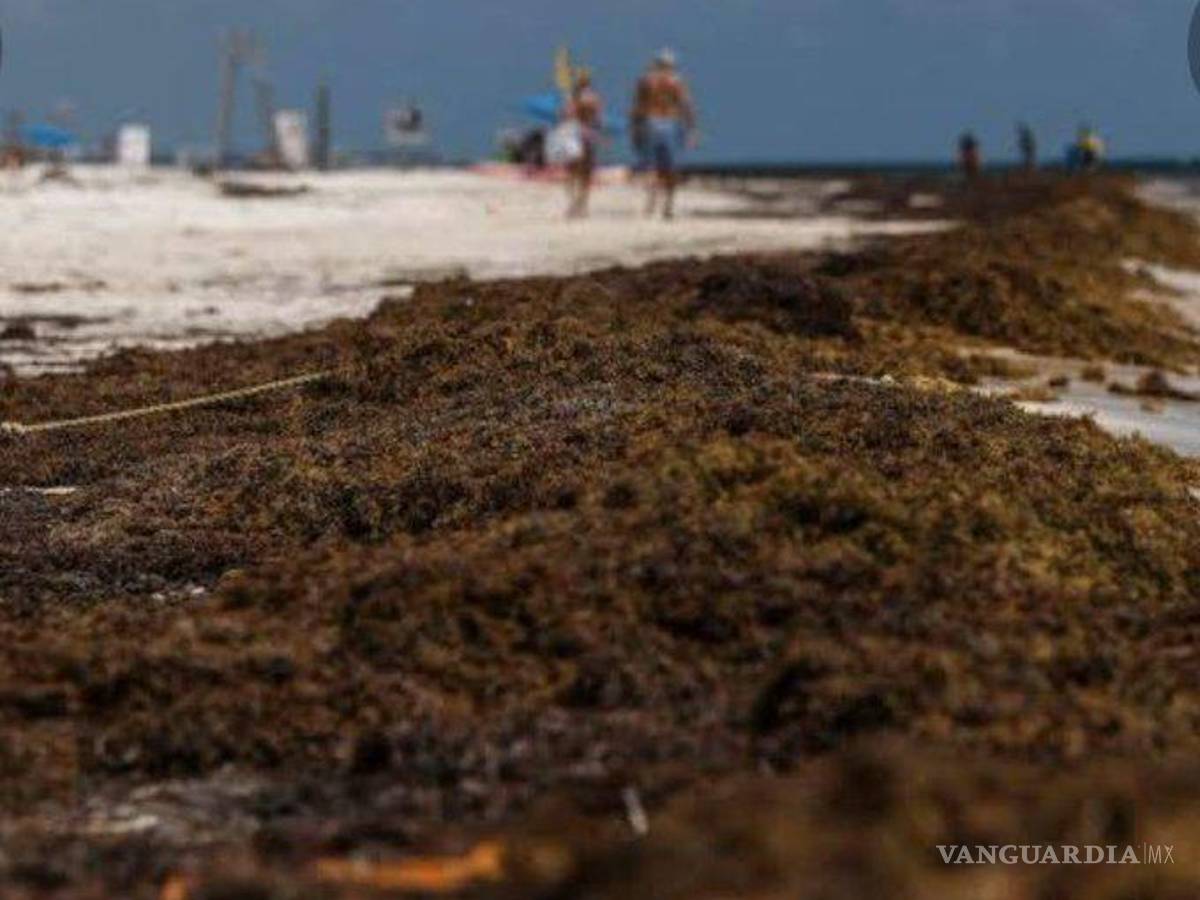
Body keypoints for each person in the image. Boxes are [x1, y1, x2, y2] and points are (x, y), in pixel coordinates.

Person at [631, 49, 697, 220]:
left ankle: (651, 201)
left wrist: (635, 127)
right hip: (670, 122)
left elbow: (637, 107)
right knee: (671, 167)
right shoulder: (676, 81)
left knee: (651, 166)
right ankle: (668, 205)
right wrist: (691, 130)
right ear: (672, 64)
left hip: (650, 123)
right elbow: (686, 105)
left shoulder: (645, 80)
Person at [563, 69, 603, 218]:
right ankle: (583, 205)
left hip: (574, 133)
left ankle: (573, 203)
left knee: (571, 171)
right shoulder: (594, 98)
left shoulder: (572, 98)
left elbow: (566, 116)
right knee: (587, 173)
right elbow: (598, 120)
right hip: (589, 133)